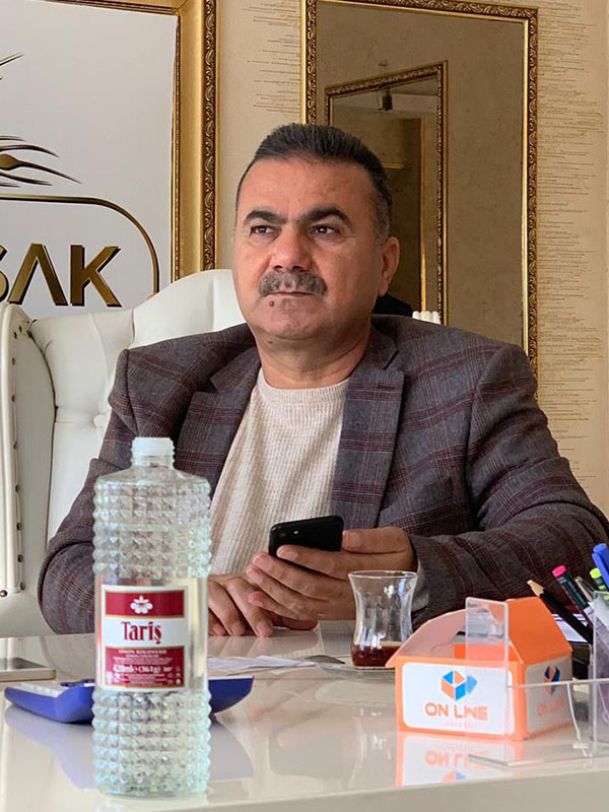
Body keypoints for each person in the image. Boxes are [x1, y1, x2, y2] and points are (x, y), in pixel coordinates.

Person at [38, 123, 609, 636]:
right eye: (263, 228)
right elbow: (68, 569)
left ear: (384, 265)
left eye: (326, 229)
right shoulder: (160, 382)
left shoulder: (467, 381)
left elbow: (577, 539)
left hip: (367, 707)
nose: (287, 255)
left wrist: (410, 576)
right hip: (184, 700)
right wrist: (166, 602)